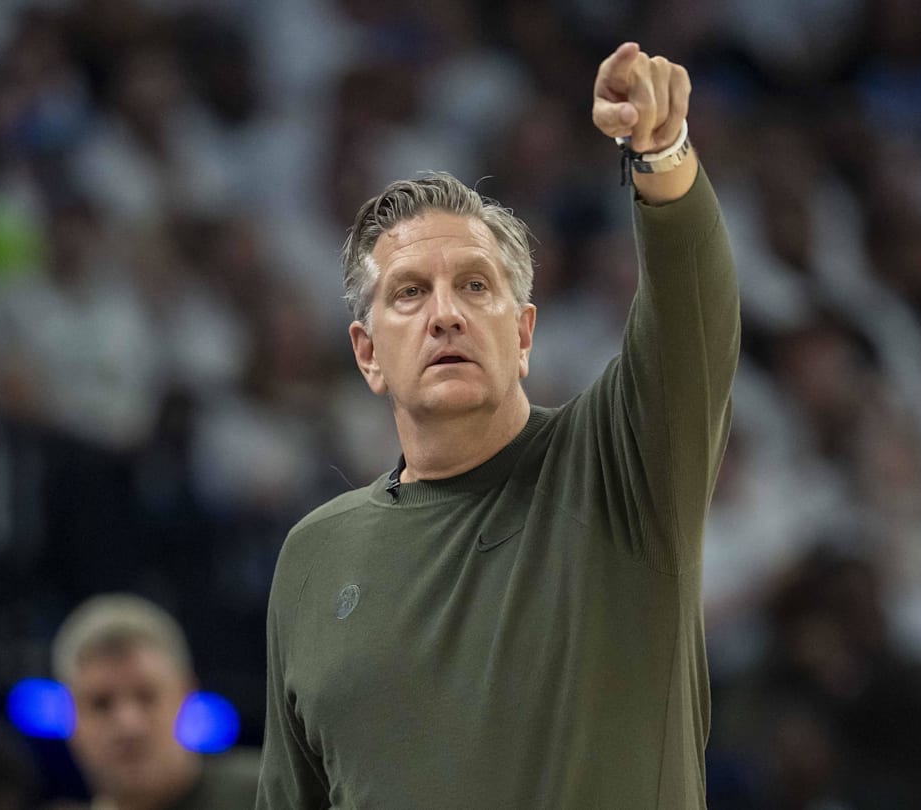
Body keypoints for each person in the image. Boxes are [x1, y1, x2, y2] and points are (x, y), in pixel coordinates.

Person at [256, 41, 739, 808]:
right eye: (410, 293)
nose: (445, 313)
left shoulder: (619, 466)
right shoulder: (313, 557)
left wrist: (661, 153)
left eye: (475, 286)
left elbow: (695, 314)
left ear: (522, 334)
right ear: (367, 353)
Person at [52, 593, 259, 810]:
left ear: (185, 696)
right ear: (70, 715)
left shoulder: (272, 794)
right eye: (101, 704)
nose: (128, 724)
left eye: (146, 697)